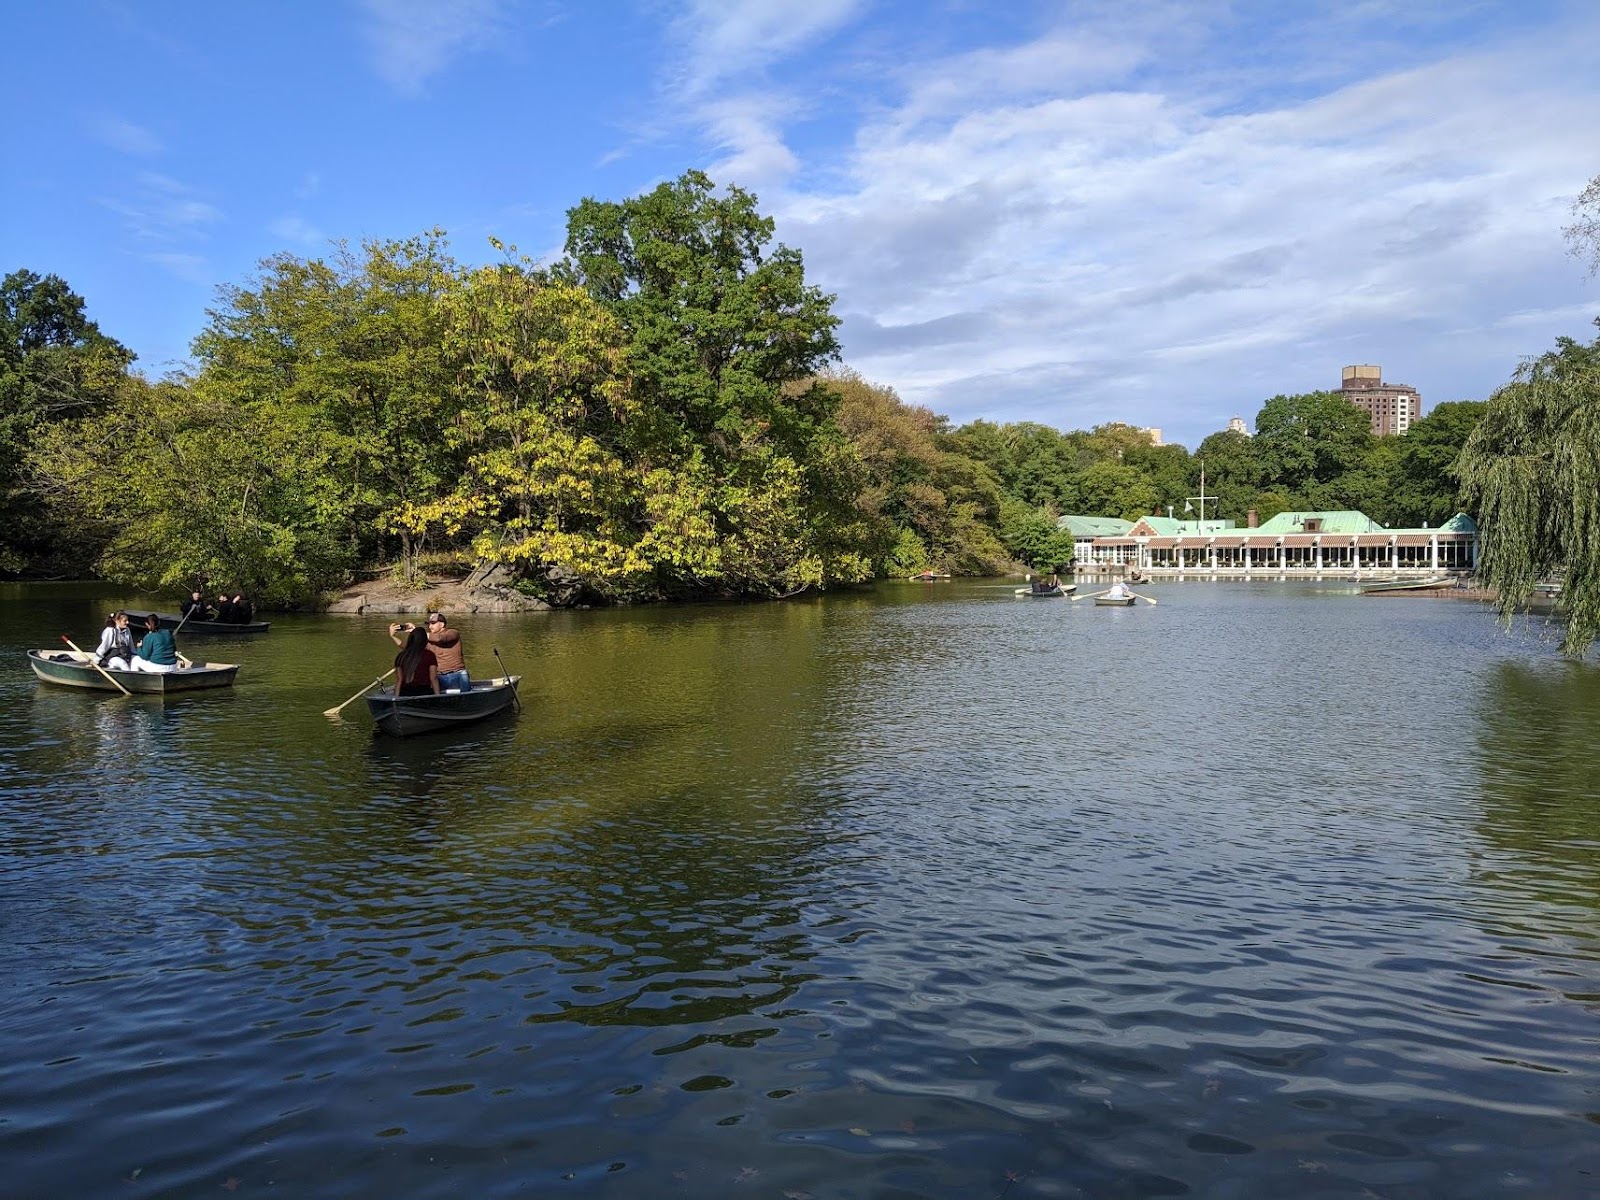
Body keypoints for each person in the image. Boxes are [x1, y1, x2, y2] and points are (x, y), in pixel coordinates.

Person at [390, 611, 471, 692]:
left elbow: (440, 638)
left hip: (457, 674)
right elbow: (408, 648)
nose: (430, 626)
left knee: (463, 677)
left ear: (442, 624)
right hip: (438, 676)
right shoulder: (427, 640)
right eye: (429, 624)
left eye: (433, 623)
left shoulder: (453, 633)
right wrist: (393, 637)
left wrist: (417, 631)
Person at [390, 625, 440, 697]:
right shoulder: (430, 655)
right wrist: (437, 696)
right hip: (423, 692)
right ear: (425, 640)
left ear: (410, 639)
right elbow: (434, 678)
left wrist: (396, 698)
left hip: (405, 692)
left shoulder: (401, 656)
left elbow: (399, 680)